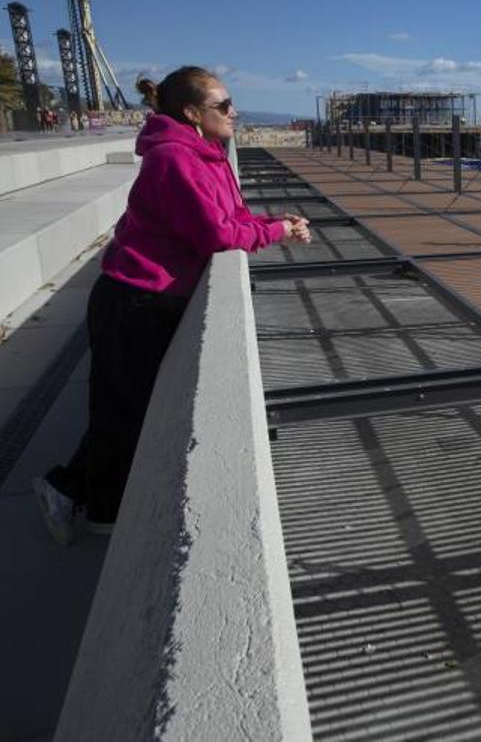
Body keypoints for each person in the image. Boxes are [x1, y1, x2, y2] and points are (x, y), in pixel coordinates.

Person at [31, 65, 311, 545]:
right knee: (123, 408)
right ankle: (90, 505)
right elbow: (219, 235)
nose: (235, 112)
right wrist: (278, 233)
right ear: (192, 113)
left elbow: (233, 217)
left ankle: (80, 494)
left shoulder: (205, 153)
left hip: (152, 296)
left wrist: (271, 221)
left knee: (128, 404)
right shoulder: (176, 160)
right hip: (134, 299)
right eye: (224, 106)